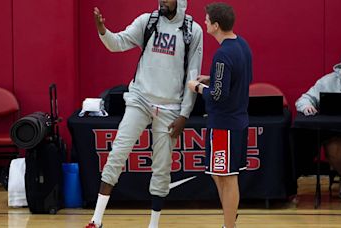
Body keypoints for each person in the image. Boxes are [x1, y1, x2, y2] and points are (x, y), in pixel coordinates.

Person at [86, 0, 203, 227]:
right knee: (117, 153)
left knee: (161, 168)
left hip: (171, 107)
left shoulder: (193, 31)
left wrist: (184, 114)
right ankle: (96, 220)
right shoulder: (147, 21)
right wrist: (103, 31)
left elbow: (193, 75)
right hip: (140, 99)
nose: (162, 0)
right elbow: (117, 43)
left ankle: (153, 224)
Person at [188, 3, 252, 228]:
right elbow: (236, 80)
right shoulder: (242, 45)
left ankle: (229, 225)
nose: (204, 22)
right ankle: (230, 215)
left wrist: (196, 86)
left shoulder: (223, 54)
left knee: (227, 177)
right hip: (238, 120)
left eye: (206, 20)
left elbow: (216, 95)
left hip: (224, 125)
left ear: (216, 25)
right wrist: (212, 76)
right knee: (220, 174)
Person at [295, 51, 341, 199]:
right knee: (332, 147)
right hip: (339, 133)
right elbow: (303, 99)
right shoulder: (327, 82)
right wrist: (307, 107)